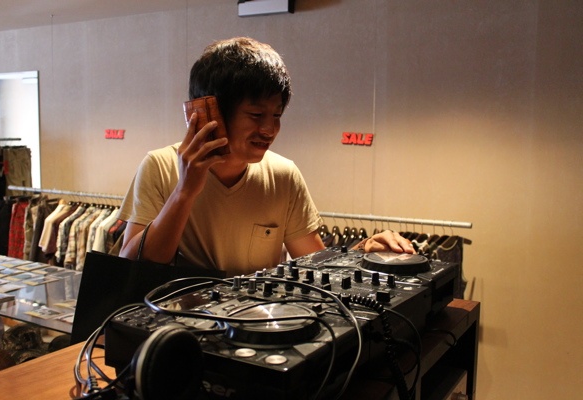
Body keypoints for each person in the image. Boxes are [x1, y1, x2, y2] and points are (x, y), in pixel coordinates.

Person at [117, 37, 414, 277]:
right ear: (212, 112)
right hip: (182, 327)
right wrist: (184, 192)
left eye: (277, 115)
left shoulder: (283, 174)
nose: (269, 130)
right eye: (256, 115)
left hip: (258, 324)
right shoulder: (161, 166)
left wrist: (363, 250)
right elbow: (131, 266)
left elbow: (314, 264)